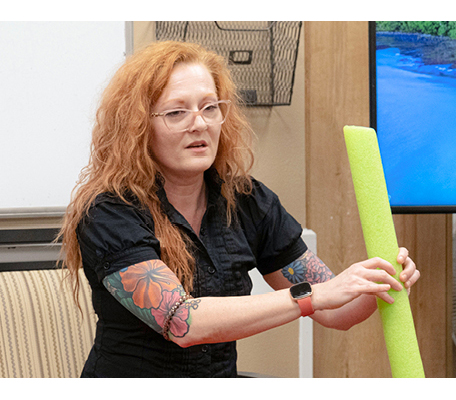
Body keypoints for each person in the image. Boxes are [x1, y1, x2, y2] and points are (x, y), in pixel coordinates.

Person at [58, 41, 421, 377]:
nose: (199, 123)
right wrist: (316, 295)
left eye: (209, 107)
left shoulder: (248, 200)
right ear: (138, 127)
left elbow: (337, 313)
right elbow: (183, 322)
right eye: (176, 112)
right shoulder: (108, 211)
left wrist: (376, 283)